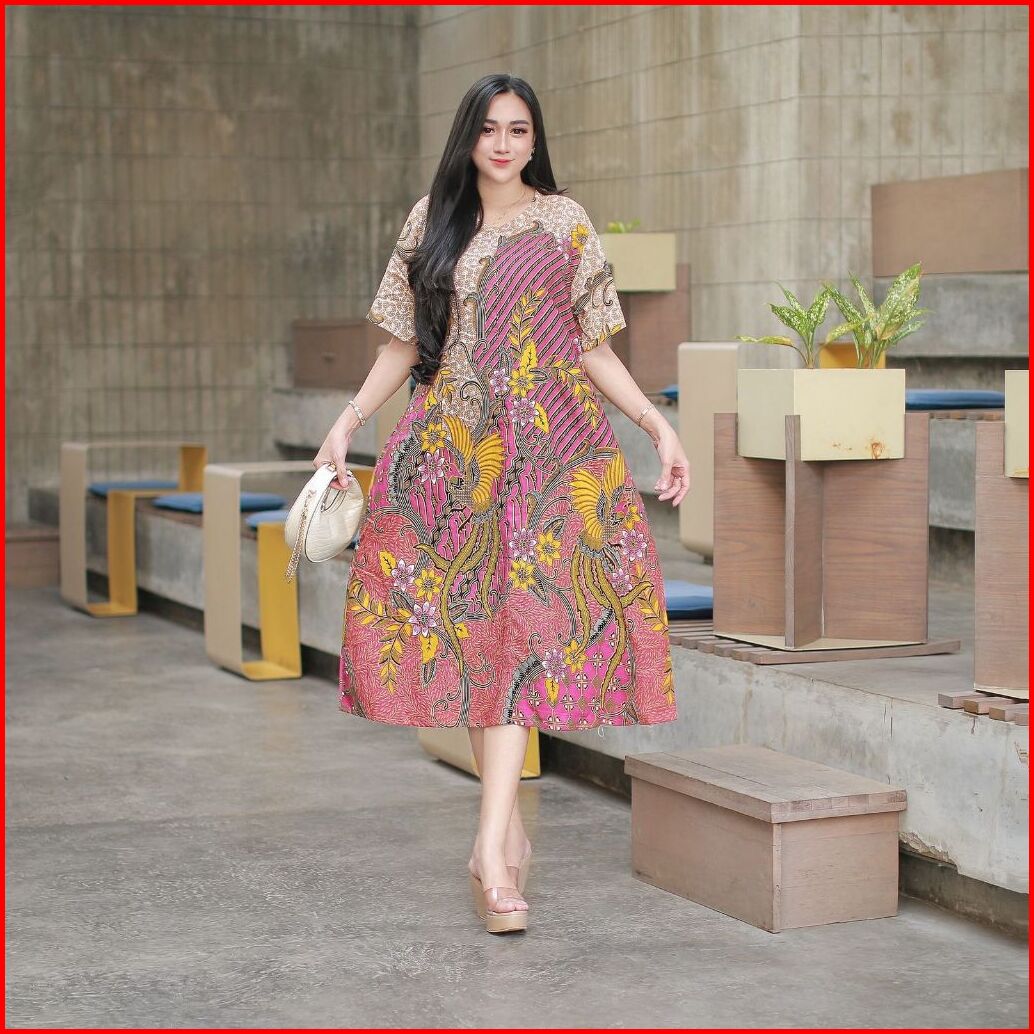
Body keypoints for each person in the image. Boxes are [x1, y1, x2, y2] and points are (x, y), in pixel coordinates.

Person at [314, 73, 691, 935]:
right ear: (468, 136)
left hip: (549, 452)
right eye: (489, 128)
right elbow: (403, 346)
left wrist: (655, 425)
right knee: (484, 639)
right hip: (451, 456)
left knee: (521, 637)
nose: (504, 144)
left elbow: (593, 347)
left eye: (519, 129)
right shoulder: (430, 222)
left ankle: (489, 850)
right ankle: (506, 831)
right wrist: (347, 423)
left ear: (535, 139)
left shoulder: (564, 222)